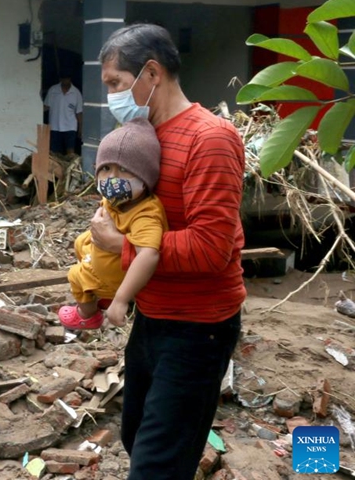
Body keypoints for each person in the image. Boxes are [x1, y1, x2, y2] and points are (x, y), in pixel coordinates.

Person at [92, 23, 246, 480]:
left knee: (158, 463)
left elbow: (210, 248)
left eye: (116, 84)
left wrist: (122, 246)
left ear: (152, 74)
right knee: (136, 436)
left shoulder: (210, 138)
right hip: (154, 317)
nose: (112, 97)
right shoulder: (144, 137)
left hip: (199, 329)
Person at [58, 118, 166, 330]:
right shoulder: (118, 200)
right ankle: (99, 290)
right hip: (108, 262)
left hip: (119, 281)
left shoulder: (146, 213)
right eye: (106, 168)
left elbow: (149, 254)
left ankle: (88, 313)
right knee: (81, 241)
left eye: (124, 170)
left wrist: (121, 299)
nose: (112, 178)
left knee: (75, 275)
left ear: (145, 177)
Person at [44, 73, 83, 155]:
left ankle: (70, 167)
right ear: (60, 79)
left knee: (70, 151)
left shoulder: (76, 93)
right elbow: (46, 107)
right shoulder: (53, 90)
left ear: (70, 79)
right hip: (54, 126)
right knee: (54, 152)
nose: (65, 81)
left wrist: (80, 128)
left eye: (67, 78)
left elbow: (79, 112)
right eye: (63, 79)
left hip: (70, 127)